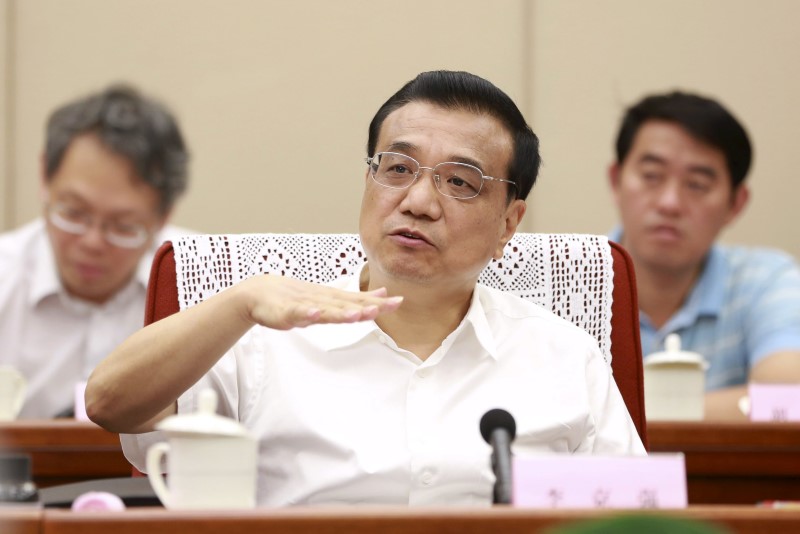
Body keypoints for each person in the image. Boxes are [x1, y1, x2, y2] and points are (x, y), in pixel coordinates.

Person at [87, 70, 644, 507]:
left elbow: (637, 519)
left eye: (459, 182)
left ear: (508, 224)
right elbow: (109, 404)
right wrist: (240, 301)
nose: (419, 202)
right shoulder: (264, 336)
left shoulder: (563, 357)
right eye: (398, 168)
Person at [608, 90, 800, 421]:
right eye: (652, 176)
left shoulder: (767, 280)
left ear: (735, 203)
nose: (669, 202)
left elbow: (788, 401)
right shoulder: (564, 278)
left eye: (696, 184)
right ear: (616, 180)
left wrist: (616, 418)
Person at [0, 84, 189, 419]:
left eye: (123, 226)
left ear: (164, 216)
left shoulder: (201, 285)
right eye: (73, 213)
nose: (92, 242)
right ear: (45, 177)